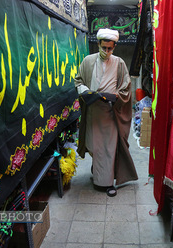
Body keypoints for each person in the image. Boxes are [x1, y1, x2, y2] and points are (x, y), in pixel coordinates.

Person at [74, 28, 138, 197]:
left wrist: (115, 96)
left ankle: (107, 183)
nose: (107, 52)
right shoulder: (88, 61)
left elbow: (126, 86)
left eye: (110, 48)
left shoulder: (119, 63)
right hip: (93, 112)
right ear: (98, 45)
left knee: (109, 149)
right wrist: (86, 91)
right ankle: (98, 170)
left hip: (110, 113)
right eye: (104, 48)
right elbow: (78, 81)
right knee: (94, 147)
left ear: (114, 47)